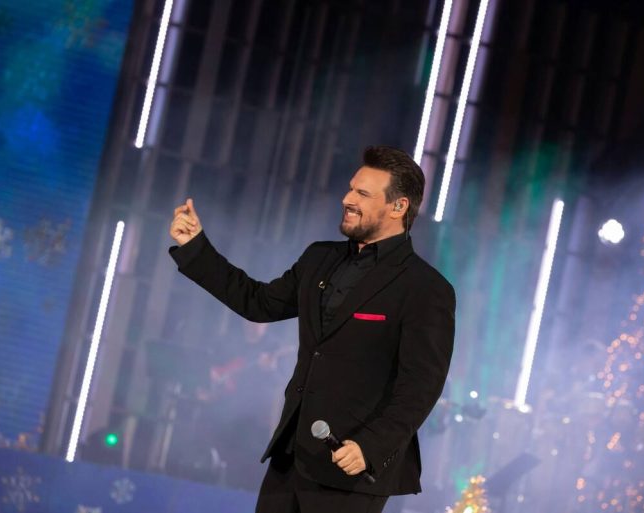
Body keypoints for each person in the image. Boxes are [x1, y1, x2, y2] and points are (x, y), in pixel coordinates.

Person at [169, 146, 455, 513]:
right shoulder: (320, 257)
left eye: (362, 194)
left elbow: (420, 386)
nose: (347, 199)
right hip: (291, 457)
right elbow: (258, 303)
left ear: (398, 206)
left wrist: (370, 446)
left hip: (352, 468)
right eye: (350, 188)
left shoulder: (425, 288)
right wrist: (195, 248)